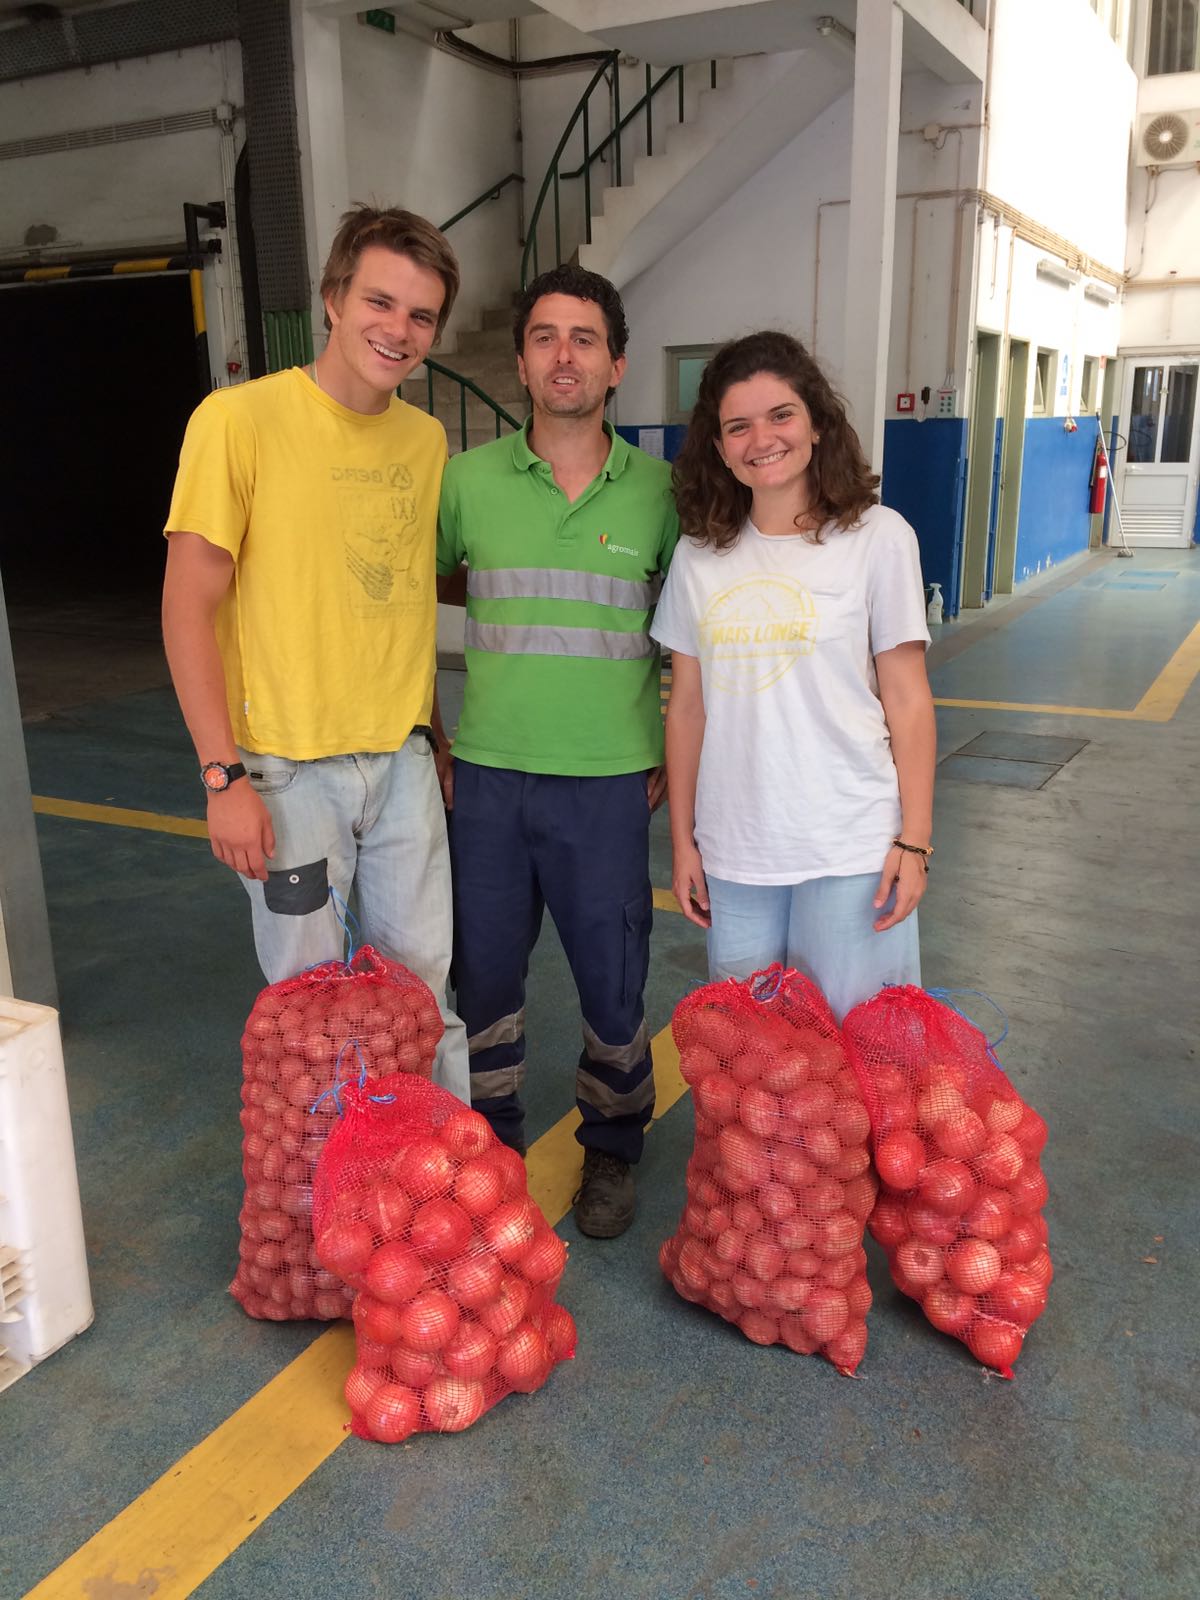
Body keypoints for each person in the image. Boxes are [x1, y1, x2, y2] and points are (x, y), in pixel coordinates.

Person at [161, 204, 469, 1101]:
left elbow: (399, 606)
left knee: (424, 1001)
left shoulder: (425, 440)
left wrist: (433, 739)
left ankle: (439, 1198)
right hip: (286, 778)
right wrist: (224, 780)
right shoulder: (237, 421)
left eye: (421, 316)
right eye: (380, 301)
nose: (398, 330)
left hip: (403, 769)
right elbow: (186, 609)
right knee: (308, 1015)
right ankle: (328, 1206)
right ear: (333, 299)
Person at [436, 264, 678, 1237]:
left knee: (612, 981)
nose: (564, 354)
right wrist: (434, 733)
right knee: (484, 978)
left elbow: (695, 635)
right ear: (521, 362)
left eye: (584, 337)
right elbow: (402, 606)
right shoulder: (467, 482)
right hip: (488, 780)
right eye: (545, 336)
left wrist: (671, 746)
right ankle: (489, 1147)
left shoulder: (664, 490)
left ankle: (613, 1147)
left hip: (610, 783)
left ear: (617, 364)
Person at [652, 330, 936, 1023]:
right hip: (737, 851)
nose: (762, 439)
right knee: (756, 1066)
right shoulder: (700, 557)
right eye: (737, 426)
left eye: (780, 415)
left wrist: (915, 839)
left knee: (855, 1051)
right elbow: (687, 709)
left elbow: (907, 698)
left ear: (816, 424)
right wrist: (683, 842)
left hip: (850, 843)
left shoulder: (878, 538)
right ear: (718, 447)